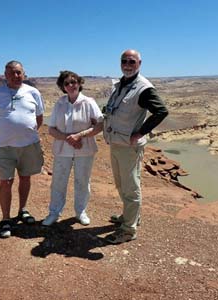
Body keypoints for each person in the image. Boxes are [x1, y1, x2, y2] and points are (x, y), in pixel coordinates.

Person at [103, 49, 169, 244]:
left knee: (131, 187)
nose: (127, 64)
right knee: (121, 184)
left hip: (128, 146)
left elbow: (161, 111)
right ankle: (130, 216)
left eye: (132, 61)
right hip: (116, 142)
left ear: (139, 63)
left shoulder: (143, 88)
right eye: (124, 61)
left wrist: (141, 132)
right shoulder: (122, 84)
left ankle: (128, 230)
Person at [0, 60, 45, 238]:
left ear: (24, 74)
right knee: (6, 181)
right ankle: (5, 218)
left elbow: (39, 119)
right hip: (5, 146)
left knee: (25, 178)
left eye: (18, 72)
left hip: (29, 145)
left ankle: (22, 210)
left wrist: (24, 132)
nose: (15, 76)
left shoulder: (33, 92)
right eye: (11, 73)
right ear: (5, 75)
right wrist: (8, 132)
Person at [42, 71, 103, 226]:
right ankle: (54, 213)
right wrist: (70, 139)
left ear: (79, 83)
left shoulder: (89, 102)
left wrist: (80, 136)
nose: (71, 85)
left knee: (82, 181)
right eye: (67, 83)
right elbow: (51, 129)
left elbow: (100, 125)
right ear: (63, 87)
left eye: (74, 82)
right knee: (58, 182)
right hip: (63, 150)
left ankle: (81, 212)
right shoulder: (60, 103)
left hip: (85, 149)